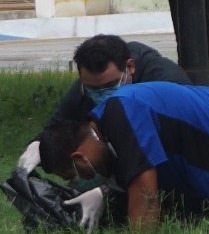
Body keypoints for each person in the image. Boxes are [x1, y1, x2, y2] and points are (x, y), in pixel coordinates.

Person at [37, 81, 209, 234]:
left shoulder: (122, 111)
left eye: (75, 174)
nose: (83, 178)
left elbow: (146, 198)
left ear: (80, 158)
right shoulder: (110, 126)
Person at [15, 34, 190, 174]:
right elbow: (56, 126)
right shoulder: (85, 89)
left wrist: (105, 190)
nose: (102, 94)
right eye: (93, 89)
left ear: (130, 67)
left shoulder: (167, 84)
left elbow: (181, 139)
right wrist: (37, 146)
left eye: (110, 86)